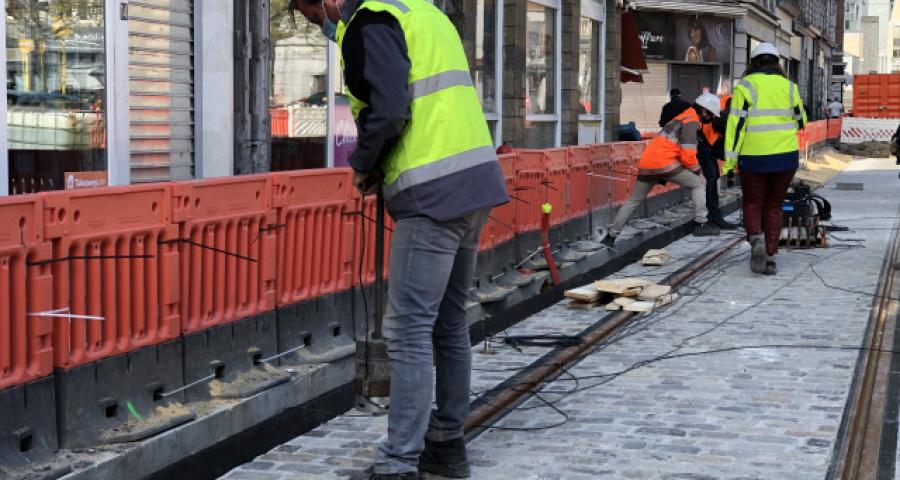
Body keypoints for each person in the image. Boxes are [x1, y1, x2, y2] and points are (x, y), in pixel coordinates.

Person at [291, 0, 509, 479]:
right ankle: (447, 447)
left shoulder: (369, 23)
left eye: (313, 17)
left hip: (432, 193)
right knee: (448, 324)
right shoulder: (424, 13)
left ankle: (398, 462)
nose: (322, 27)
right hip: (474, 182)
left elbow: (390, 110)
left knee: (408, 330)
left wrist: (366, 164)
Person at [723, 42, 806, 276]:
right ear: (777, 63)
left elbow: (736, 127)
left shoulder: (745, 86)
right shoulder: (790, 87)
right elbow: (802, 120)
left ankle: (756, 240)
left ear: (754, 62)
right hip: (785, 157)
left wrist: (730, 163)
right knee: (774, 205)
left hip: (754, 157)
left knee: (752, 202)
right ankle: (770, 256)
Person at [602, 93, 722, 247]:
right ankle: (701, 224)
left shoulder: (682, 117)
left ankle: (611, 236)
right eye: (711, 114)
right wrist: (698, 171)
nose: (710, 118)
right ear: (704, 111)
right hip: (665, 162)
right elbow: (688, 155)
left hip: (648, 162)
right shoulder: (692, 121)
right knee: (698, 183)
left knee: (633, 200)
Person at [697, 94, 738, 229]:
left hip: (710, 146)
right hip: (704, 146)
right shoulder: (695, 117)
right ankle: (711, 217)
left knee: (714, 178)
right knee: (711, 179)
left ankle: (714, 216)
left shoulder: (722, 109)